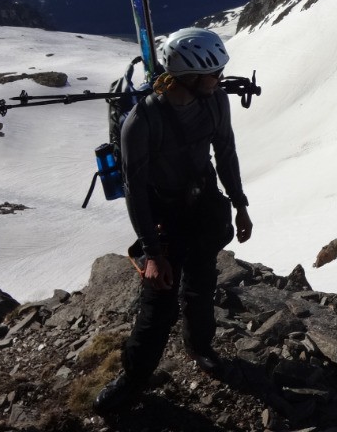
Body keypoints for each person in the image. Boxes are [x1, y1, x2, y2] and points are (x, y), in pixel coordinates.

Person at [94, 27, 253, 412]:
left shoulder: (214, 102)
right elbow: (136, 189)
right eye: (214, 74)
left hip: (202, 208)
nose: (220, 81)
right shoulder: (142, 122)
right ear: (190, 75)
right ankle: (133, 379)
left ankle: (200, 348)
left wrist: (240, 203)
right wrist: (152, 253)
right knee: (157, 306)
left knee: (202, 283)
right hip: (163, 217)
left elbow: (225, 153)